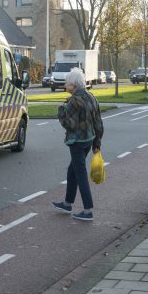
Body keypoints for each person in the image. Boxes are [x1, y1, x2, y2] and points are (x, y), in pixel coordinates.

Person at [52, 67, 104, 221]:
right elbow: (98, 122)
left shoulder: (74, 101)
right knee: (72, 171)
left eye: (67, 83)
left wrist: (61, 111)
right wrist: (97, 142)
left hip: (77, 142)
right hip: (88, 141)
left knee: (80, 174)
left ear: (73, 85)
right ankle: (67, 203)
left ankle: (88, 210)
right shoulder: (91, 96)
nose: (65, 85)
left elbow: (70, 125)